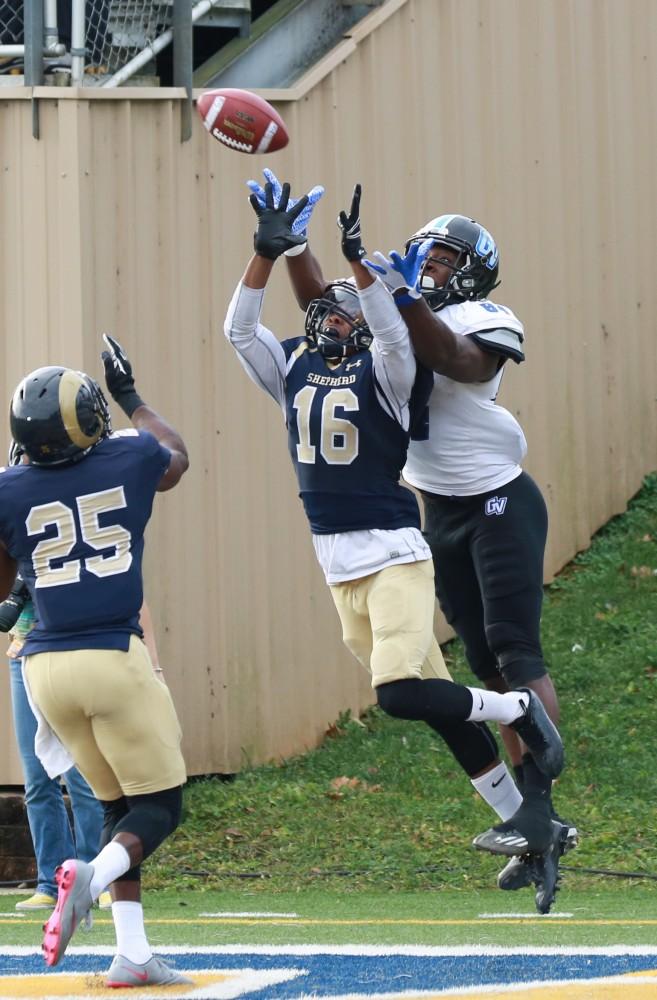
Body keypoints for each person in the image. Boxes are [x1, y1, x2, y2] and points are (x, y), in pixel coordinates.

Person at [224, 178, 564, 905]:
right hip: (435, 508)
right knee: (473, 669)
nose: (428, 266)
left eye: (442, 258)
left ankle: (537, 804)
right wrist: (297, 251)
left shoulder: (482, 316)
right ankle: (528, 821)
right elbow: (328, 311)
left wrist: (399, 294)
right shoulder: (387, 314)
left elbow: (455, 359)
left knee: (512, 649)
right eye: (424, 255)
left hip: (499, 498)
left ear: (471, 267)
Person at [0, 341, 191, 988]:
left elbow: (4, 591)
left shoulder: (8, 489)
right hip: (111, 656)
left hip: (43, 671)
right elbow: (176, 458)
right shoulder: (131, 455)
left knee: (117, 808)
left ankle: (131, 953)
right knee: (161, 806)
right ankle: (90, 877)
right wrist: (130, 395)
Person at [1, 572, 108, 912]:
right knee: (37, 777)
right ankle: (52, 882)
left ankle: (96, 878)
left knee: (80, 772)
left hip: (67, 652)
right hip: (23, 657)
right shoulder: (13, 540)